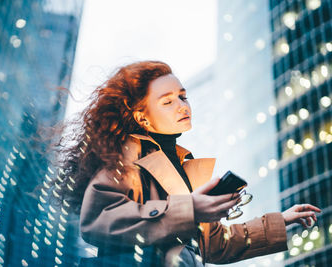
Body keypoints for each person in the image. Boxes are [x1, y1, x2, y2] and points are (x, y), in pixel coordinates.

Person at [55, 61, 321, 266]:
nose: (183, 106)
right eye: (168, 101)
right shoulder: (126, 158)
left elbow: (216, 244)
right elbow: (98, 220)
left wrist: (280, 221)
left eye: (183, 96)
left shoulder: (184, 165)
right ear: (142, 118)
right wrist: (190, 209)